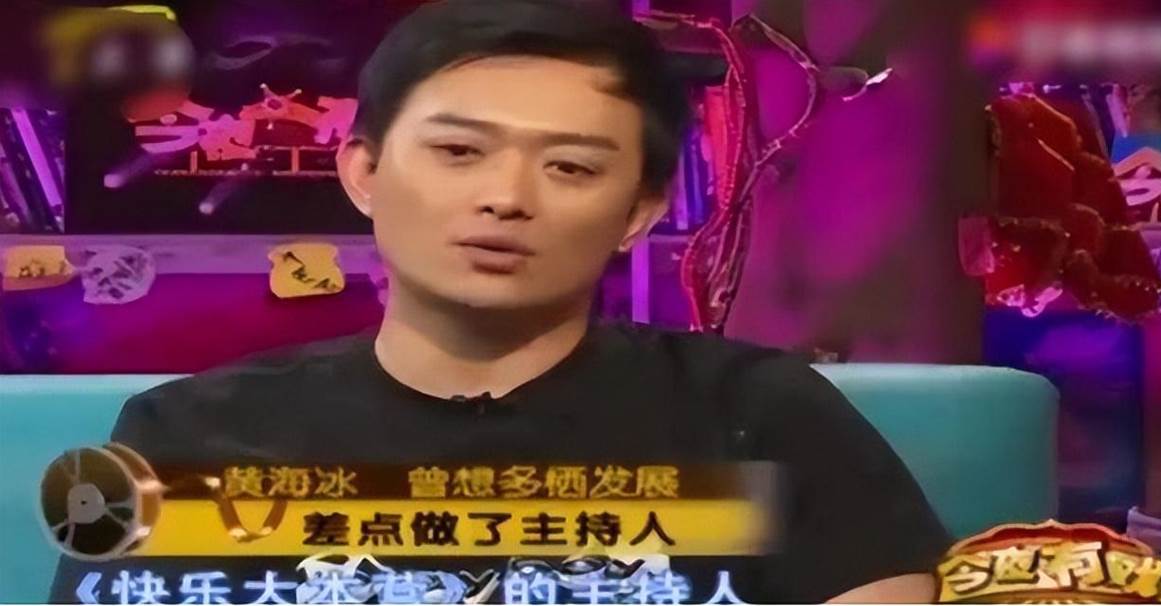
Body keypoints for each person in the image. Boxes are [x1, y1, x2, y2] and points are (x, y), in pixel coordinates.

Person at [50, 0, 950, 602]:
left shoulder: (763, 416)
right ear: (362, 172)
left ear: (639, 212)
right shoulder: (185, 435)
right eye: (459, 152)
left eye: (571, 167)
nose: (506, 198)